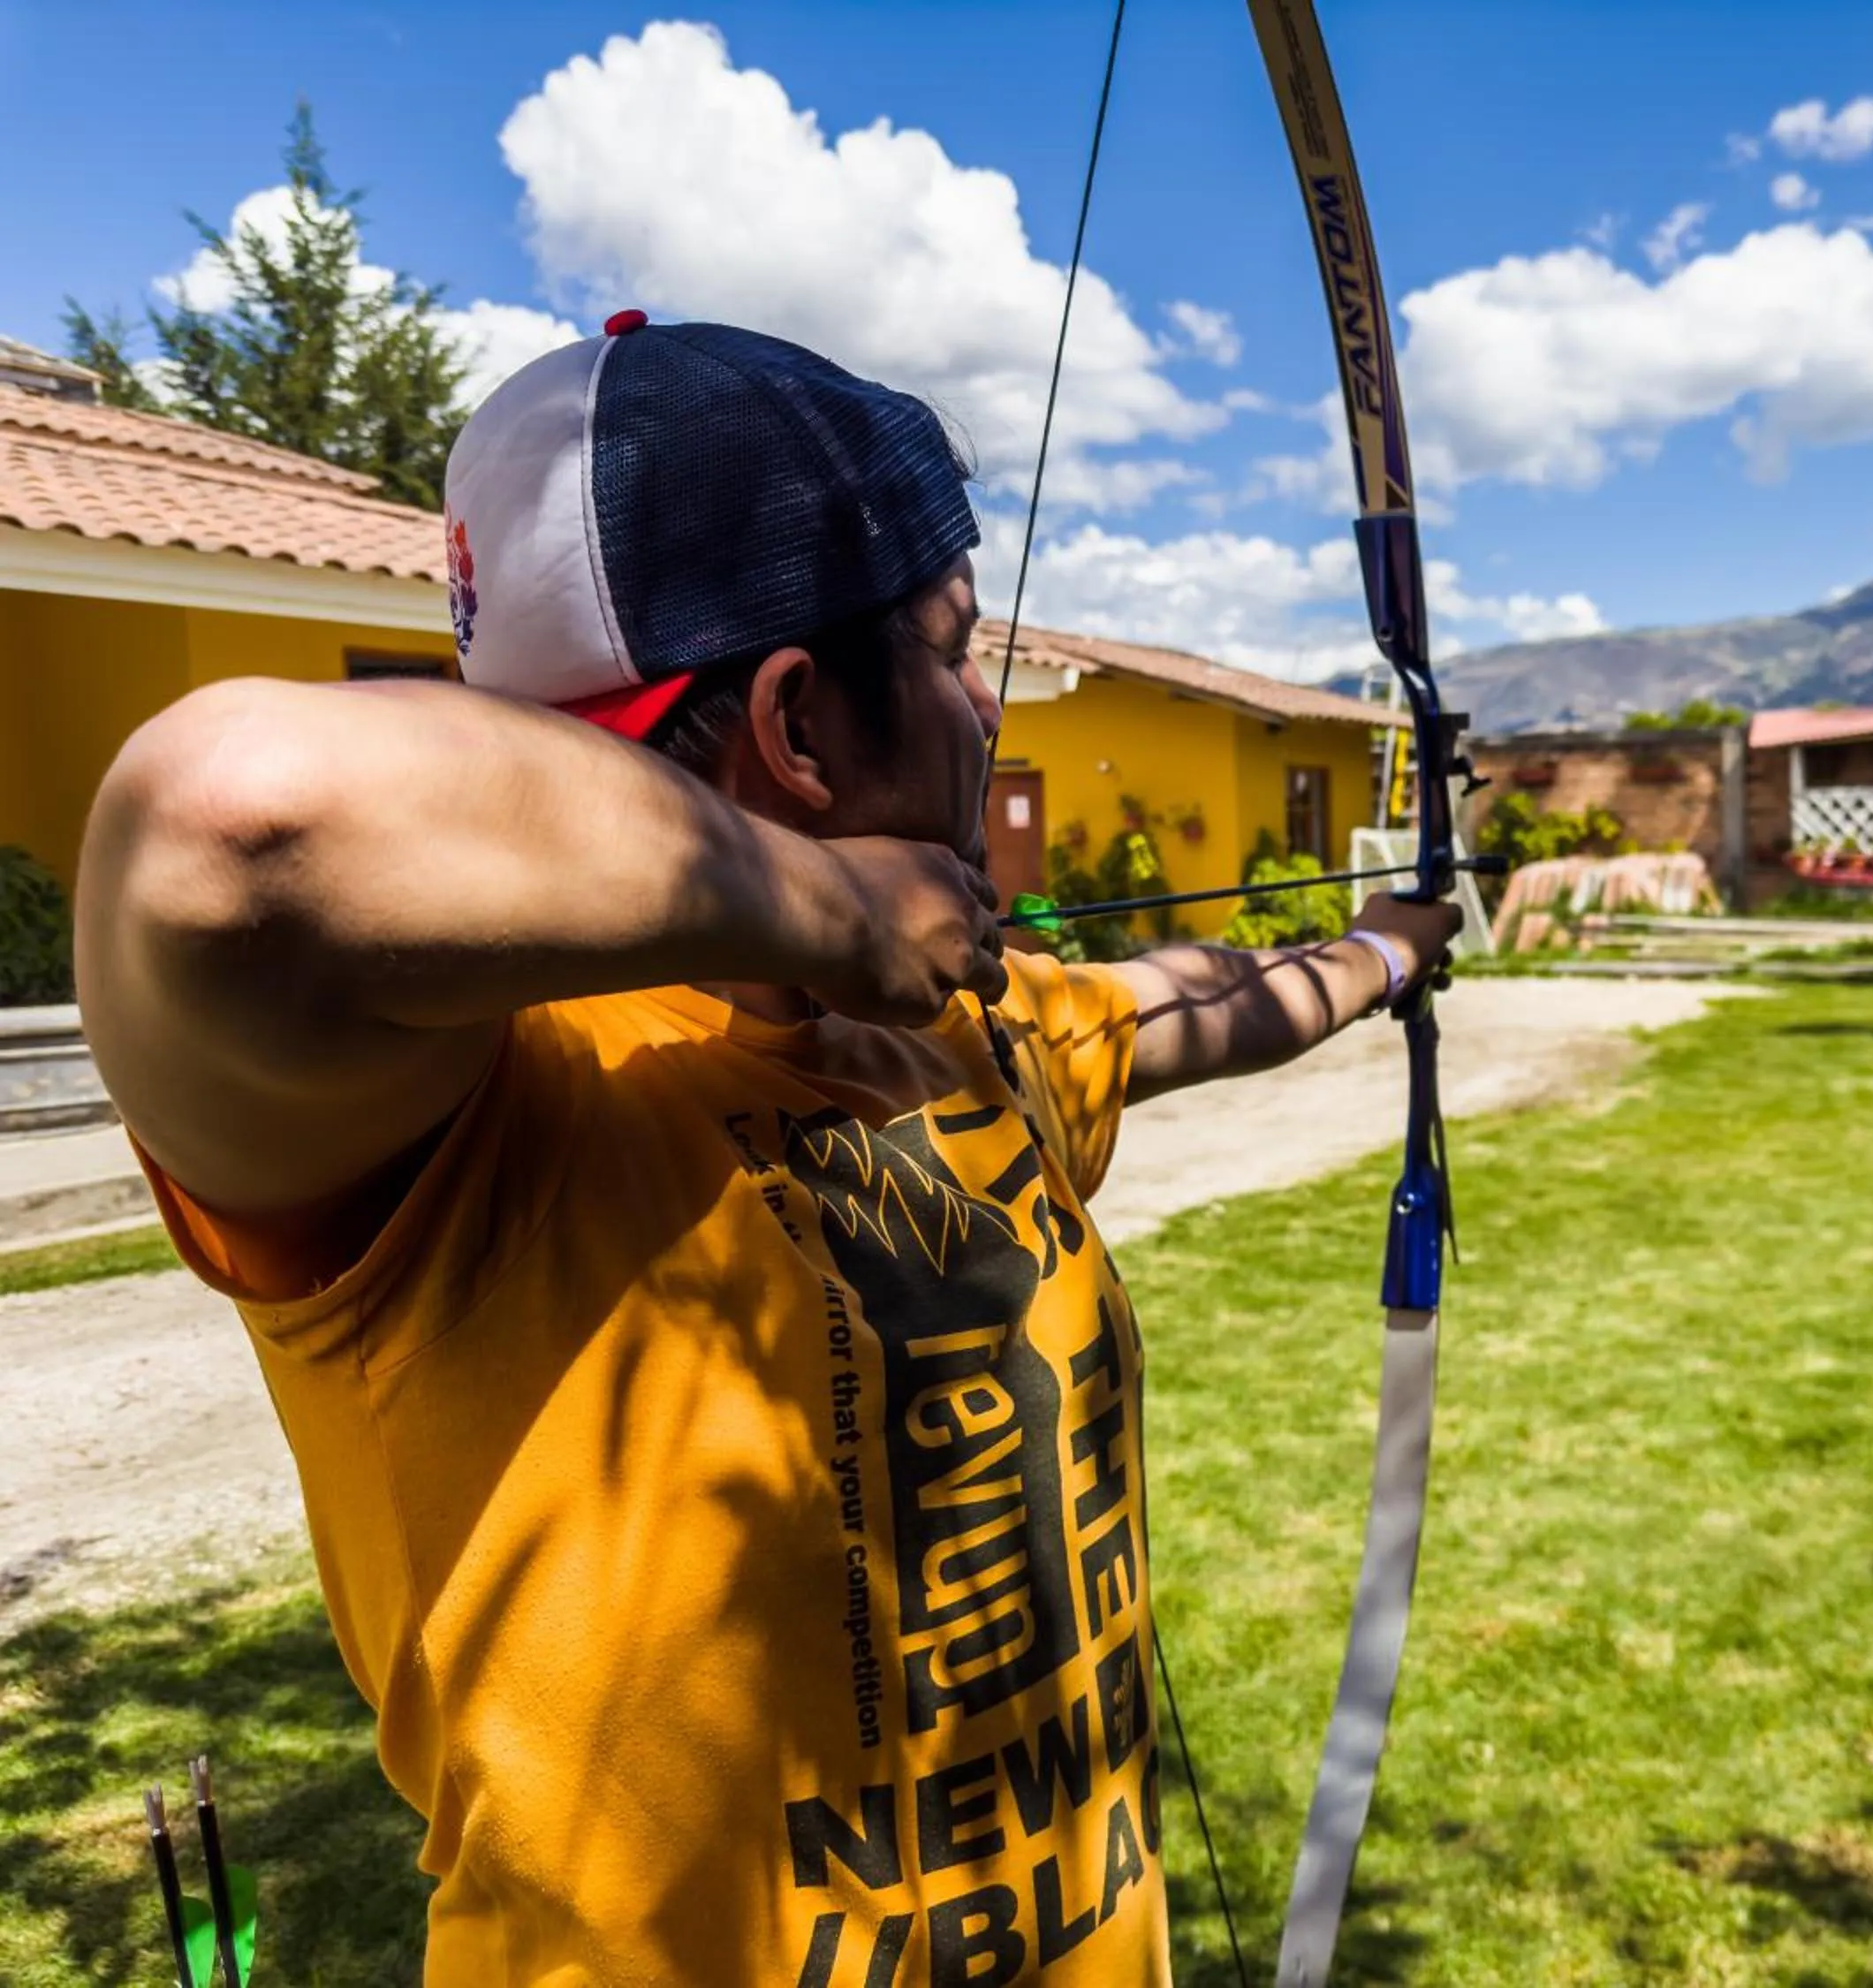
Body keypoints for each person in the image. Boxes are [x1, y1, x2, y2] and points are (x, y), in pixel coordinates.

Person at [74, 316, 1460, 1986]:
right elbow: (226, 812)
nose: (981, 709)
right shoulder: (464, 1113)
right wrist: (831, 902)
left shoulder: (955, 1027)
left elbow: (1202, 998)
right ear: (801, 726)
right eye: (954, 653)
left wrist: (1388, 945)